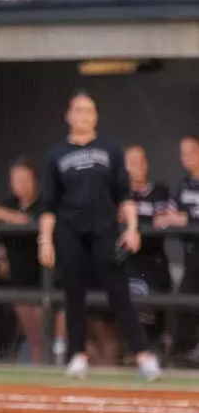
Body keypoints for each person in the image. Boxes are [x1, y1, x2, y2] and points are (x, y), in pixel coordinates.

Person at [37, 90, 161, 381]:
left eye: (90, 110)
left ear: (96, 116)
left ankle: (143, 356)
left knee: (119, 292)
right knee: (73, 294)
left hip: (104, 229)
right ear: (68, 115)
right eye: (79, 110)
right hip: (69, 230)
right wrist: (45, 239)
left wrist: (132, 228)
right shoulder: (56, 154)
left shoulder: (111, 148)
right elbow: (48, 204)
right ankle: (78, 356)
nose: (84, 116)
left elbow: (124, 195)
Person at [0, 156, 46, 363]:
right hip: (19, 278)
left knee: (46, 334)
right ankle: (37, 381)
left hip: (44, 278)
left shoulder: (44, 203)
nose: (21, 185)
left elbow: (27, 220)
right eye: (16, 180)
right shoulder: (9, 203)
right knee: (33, 337)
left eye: (25, 179)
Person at [123, 145, 173, 357]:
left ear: (147, 164)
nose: (136, 167)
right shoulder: (120, 195)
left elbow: (162, 221)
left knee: (154, 316)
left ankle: (155, 348)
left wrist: (134, 221)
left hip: (154, 262)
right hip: (129, 262)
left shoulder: (159, 191)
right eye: (131, 162)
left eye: (140, 161)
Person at [159, 135, 199, 366]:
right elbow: (167, 215)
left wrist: (188, 218)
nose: (187, 158)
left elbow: (185, 217)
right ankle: (181, 352)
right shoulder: (184, 185)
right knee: (185, 301)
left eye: (191, 152)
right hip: (191, 255)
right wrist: (178, 218)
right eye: (183, 153)